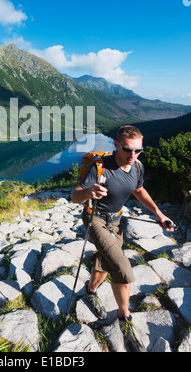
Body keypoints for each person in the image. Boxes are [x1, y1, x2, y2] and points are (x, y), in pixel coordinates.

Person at [71, 125, 175, 352]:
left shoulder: (137, 166)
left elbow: (138, 190)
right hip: (95, 218)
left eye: (138, 150)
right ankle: (124, 318)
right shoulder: (100, 168)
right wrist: (89, 192)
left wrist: (159, 214)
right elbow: (74, 196)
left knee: (106, 261)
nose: (133, 155)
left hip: (116, 221)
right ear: (116, 145)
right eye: (128, 149)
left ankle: (89, 292)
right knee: (123, 269)